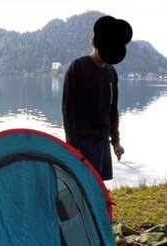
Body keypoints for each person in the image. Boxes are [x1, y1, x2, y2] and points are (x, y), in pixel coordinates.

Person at [62, 15, 132, 182]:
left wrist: (116, 142)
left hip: (102, 139)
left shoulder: (111, 72)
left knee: (98, 185)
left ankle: (99, 209)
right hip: (82, 140)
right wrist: (73, 146)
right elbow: (68, 109)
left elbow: (113, 109)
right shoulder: (78, 67)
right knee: (84, 184)